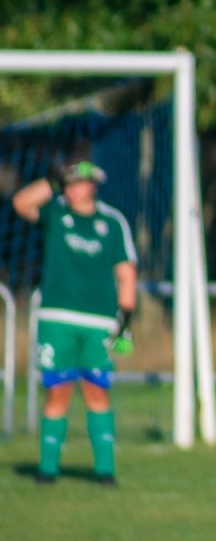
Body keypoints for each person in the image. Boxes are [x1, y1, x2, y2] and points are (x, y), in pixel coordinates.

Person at [12, 159, 137, 485]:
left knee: (97, 391)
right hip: (57, 318)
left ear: (93, 185)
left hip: (99, 321)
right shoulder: (55, 213)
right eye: (68, 183)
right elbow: (22, 203)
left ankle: (105, 471)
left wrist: (125, 323)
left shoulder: (112, 222)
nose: (73, 188)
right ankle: (48, 469)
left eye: (78, 182)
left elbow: (126, 273)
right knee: (58, 391)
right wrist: (51, 183)